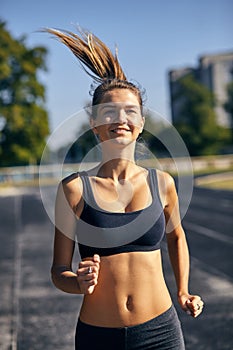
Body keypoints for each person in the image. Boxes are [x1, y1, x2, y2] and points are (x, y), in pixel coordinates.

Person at [45, 27, 204, 350]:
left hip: (160, 332)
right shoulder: (74, 189)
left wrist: (184, 290)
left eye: (130, 111)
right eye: (110, 111)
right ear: (94, 122)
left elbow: (177, 237)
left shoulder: (162, 184)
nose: (121, 118)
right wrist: (78, 281)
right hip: (98, 336)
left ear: (141, 122)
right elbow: (58, 271)